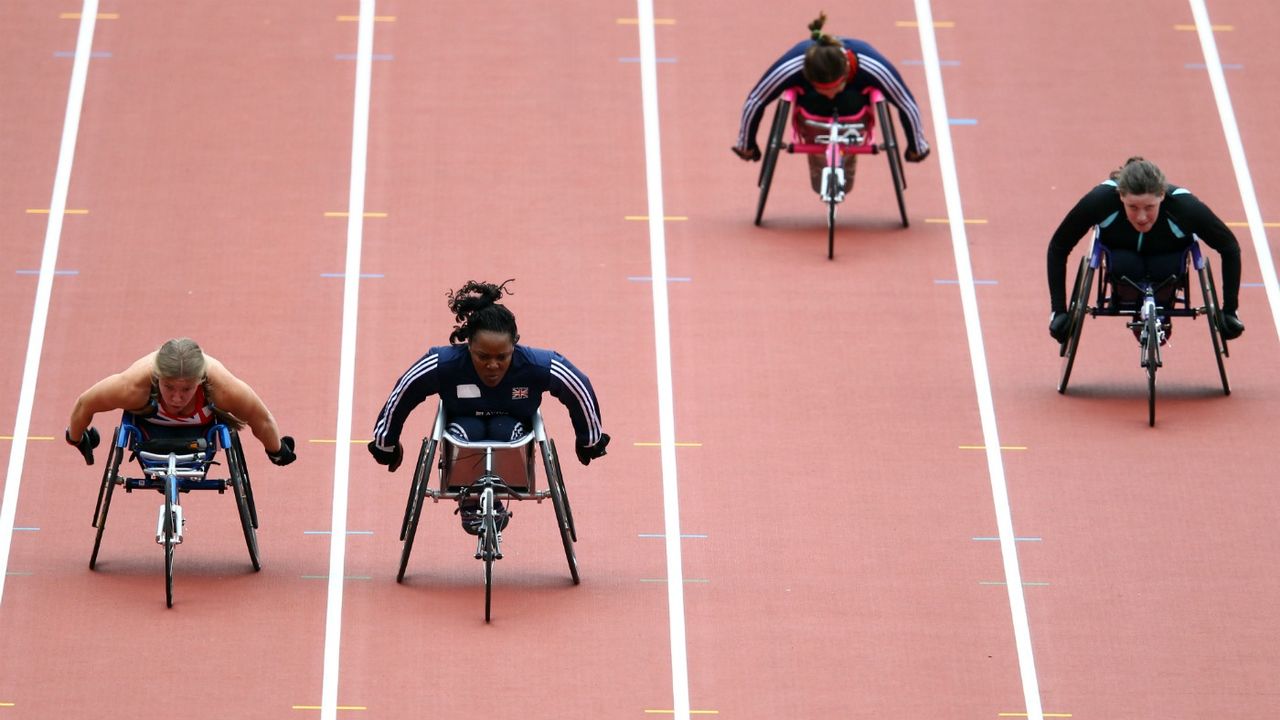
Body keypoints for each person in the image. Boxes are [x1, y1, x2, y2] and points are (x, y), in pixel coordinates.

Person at [367, 280, 609, 534]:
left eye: (502, 357)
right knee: (466, 432)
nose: (492, 365)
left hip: (514, 428)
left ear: (514, 346)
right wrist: (386, 443)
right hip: (462, 426)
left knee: (505, 431)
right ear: (468, 345)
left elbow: (578, 385)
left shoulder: (536, 364)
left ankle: (495, 494)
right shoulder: (444, 363)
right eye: (482, 356)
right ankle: (471, 499)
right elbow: (405, 389)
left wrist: (589, 440)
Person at [1047, 157, 1245, 343]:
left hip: (1168, 262)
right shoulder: (1099, 201)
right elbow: (1059, 246)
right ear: (1121, 196)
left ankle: (1161, 310)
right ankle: (1134, 305)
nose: (1142, 217)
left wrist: (1229, 310)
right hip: (1123, 263)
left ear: (1162, 195)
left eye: (1149, 207)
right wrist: (1059, 311)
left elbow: (1229, 247)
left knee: (1165, 267)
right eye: (1133, 207)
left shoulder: (1185, 207)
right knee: (1126, 265)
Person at [733, 12, 931, 194]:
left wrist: (916, 147)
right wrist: (746, 144)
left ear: (845, 73)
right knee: (816, 105)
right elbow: (756, 100)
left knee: (851, 100)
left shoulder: (871, 64)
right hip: (811, 118)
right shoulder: (794, 64)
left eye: (833, 89)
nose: (829, 95)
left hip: (855, 118)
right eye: (823, 90)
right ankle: (822, 157)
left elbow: (906, 103)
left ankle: (845, 158)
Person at [65, 337, 296, 467]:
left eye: (186, 389)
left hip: (201, 435)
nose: (176, 397)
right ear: (157, 378)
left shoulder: (223, 389)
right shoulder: (134, 386)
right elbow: (85, 404)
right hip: (149, 432)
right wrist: (77, 438)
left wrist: (277, 450)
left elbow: (261, 419)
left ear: (200, 380)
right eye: (169, 387)